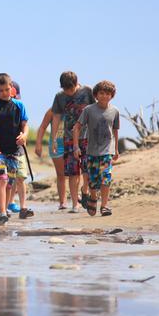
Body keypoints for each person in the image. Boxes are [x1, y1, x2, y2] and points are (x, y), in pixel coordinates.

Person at [0, 73, 33, 225]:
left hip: (14, 151)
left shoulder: (20, 106)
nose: (5, 93)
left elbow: (25, 125)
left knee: (10, 183)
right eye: (1, 90)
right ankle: (2, 212)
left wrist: (25, 136)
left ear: (11, 87)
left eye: (7, 89)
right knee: (1, 179)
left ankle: (5, 210)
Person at [72, 80, 120, 217]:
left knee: (106, 178)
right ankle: (93, 198)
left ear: (112, 95)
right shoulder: (89, 110)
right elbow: (76, 128)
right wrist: (76, 146)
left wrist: (116, 149)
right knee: (93, 180)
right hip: (91, 151)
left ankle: (104, 205)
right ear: (96, 95)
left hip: (107, 151)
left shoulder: (115, 111)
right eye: (102, 93)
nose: (104, 96)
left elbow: (115, 130)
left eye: (108, 94)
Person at [49, 71, 95, 213]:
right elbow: (56, 117)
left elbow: (96, 110)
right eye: (65, 90)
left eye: (71, 89)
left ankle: (85, 190)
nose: (69, 92)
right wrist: (54, 139)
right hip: (68, 138)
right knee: (73, 172)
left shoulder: (87, 91)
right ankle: (75, 204)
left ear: (76, 84)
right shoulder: (59, 97)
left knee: (87, 169)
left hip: (88, 137)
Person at [33, 107, 66, 209]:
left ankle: (77, 197)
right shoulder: (52, 110)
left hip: (72, 144)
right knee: (61, 174)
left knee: (76, 173)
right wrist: (38, 144)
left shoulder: (76, 108)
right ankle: (62, 202)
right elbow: (43, 127)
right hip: (56, 146)